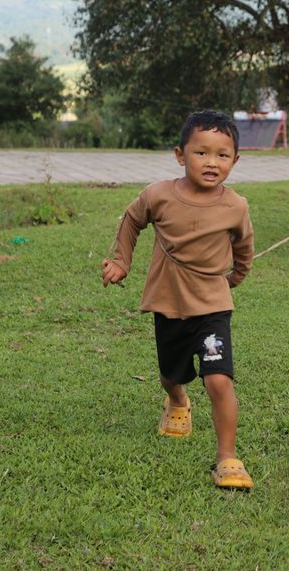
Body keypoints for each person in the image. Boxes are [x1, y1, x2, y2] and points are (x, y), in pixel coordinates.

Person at [101, 110, 255, 490]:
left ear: (235, 160)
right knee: (171, 373)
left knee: (218, 380)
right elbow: (131, 219)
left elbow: (245, 246)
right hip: (169, 303)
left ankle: (227, 458)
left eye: (222, 155)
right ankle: (178, 401)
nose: (211, 162)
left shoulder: (236, 206)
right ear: (179, 154)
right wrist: (121, 261)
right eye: (201, 153)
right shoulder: (159, 195)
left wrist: (237, 276)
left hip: (213, 309)